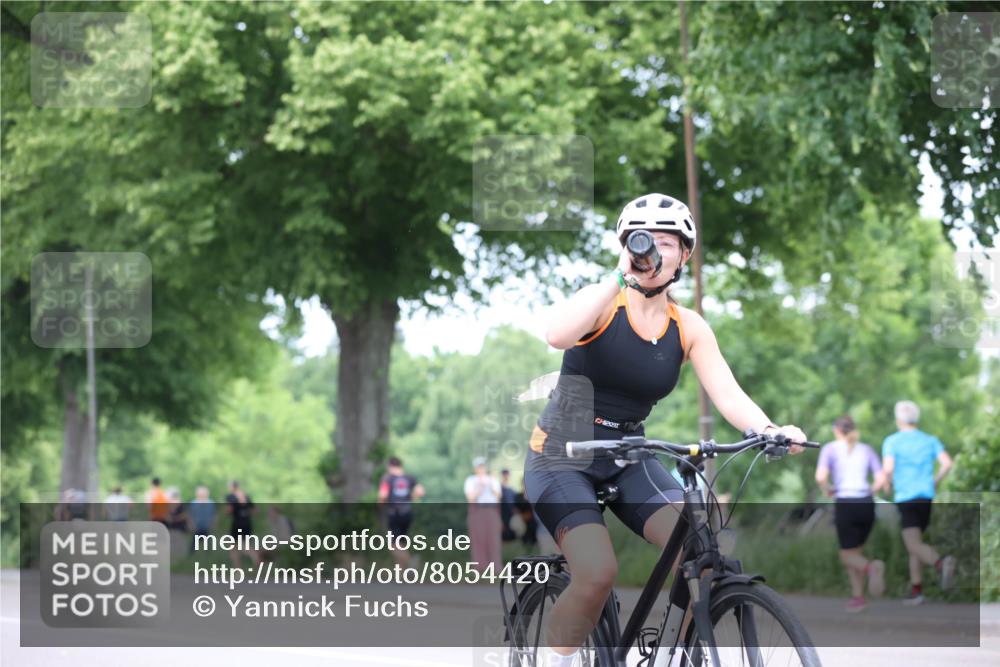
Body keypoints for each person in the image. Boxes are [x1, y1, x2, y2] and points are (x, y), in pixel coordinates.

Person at [525, 193, 809, 667]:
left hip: (629, 457)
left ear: (684, 255)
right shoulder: (602, 302)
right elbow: (557, 334)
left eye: (666, 242)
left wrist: (770, 429)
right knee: (596, 573)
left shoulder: (689, 326)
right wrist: (620, 275)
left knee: (703, 548)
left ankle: (670, 654)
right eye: (643, 241)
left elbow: (729, 393)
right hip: (561, 455)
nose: (653, 251)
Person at [881, 400, 956, 605]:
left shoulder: (892, 441)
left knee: (913, 543)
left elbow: (887, 469)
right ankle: (917, 591)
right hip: (926, 495)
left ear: (898, 419)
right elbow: (947, 463)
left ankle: (941, 562)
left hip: (906, 496)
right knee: (916, 543)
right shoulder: (930, 440)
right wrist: (935, 481)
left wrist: (886, 483)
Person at [815, 415, 886, 612]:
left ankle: (872, 568)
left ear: (836, 430)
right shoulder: (867, 450)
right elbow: (880, 479)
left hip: (846, 503)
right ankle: (858, 597)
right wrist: (870, 491)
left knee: (846, 555)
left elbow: (820, 477)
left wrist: (827, 489)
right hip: (866, 503)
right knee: (855, 552)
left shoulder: (830, 449)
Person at [377, 457, 425, 568]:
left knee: (393, 545)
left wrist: (380, 506)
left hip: (394, 514)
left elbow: (383, 495)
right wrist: (411, 498)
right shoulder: (409, 478)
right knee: (401, 543)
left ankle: (410, 561)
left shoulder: (388, 479)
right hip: (407, 513)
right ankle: (401, 575)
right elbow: (421, 492)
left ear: (390, 466)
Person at [464, 457, 503, 574]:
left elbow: (498, 496)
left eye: (483, 466)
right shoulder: (471, 480)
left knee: (494, 541)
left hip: (491, 511)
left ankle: (496, 568)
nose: (481, 469)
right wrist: (480, 486)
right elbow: (471, 498)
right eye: (479, 467)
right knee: (478, 541)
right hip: (477, 511)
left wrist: (489, 484)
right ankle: (480, 568)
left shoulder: (493, 480)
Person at [225, 480, 260, 567]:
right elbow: (255, 511)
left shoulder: (231, 497)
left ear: (232, 487)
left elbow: (229, 510)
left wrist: (226, 513)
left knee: (234, 546)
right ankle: (253, 557)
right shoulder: (246, 496)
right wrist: (246, 514)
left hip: (237, 524)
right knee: (240, 545)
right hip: (247, 523)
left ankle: (254, 557)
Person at [188, 486, 216, 553]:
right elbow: (190, 515)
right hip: (197, 526)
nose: (202, 494)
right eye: (200, 493)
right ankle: (191, 557)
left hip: (207, 526)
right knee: (194, 544)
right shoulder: (193, 503)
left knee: (208, 545)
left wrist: (213, 524)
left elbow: (213, 515)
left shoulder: (211, 503)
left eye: (203, 493)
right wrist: (191, 524)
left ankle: (209, 557)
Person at [499, 469, 517, 542]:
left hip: (511, 511)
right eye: (504, 474)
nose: (506, 476)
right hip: (503, 511)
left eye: (507, 474)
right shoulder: (500, 488)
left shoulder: (511, 488)